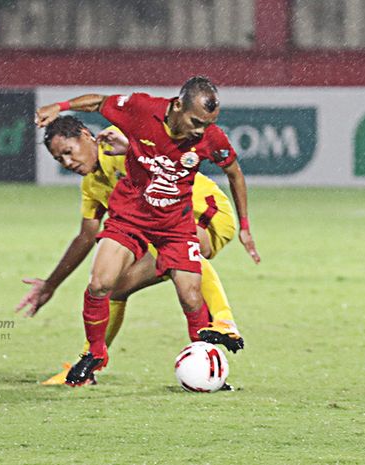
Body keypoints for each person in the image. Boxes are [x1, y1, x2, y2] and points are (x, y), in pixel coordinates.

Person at [35, 76, 259, 386]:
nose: (67, 161)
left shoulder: (122, 135)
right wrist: (50, 284)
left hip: (199, 214)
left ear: (87, 136)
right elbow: (86, 236)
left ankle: (222, 323)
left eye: (69, 151)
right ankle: (93, 357)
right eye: (59, 158)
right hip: (138, 219)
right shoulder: (94, 184)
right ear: (178, 106)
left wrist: (246, 226)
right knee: (109, 286)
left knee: (188, 285)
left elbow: (225, 170)